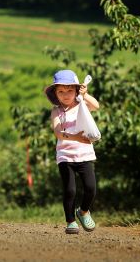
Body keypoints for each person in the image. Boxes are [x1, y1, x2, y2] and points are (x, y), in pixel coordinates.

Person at [45, 69, 100, 234]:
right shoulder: (56, 111)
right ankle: (70, 221)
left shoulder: (82, 104)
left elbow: (96, 106)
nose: (66, 94)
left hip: (84, 154)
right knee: (70, 190)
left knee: (91, 188)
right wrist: (76, 137)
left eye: (70, 90)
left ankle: (83, 211)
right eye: (61, 91)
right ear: (55, 93)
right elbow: (57, 132)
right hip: (65, 156)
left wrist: (85, 95)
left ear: (76, 90)